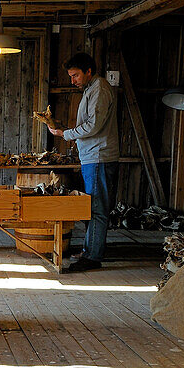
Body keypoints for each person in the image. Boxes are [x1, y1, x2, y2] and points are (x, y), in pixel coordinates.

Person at [47, 52, 119, 272]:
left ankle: (92, 258)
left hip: (99, 157)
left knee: (97, 208)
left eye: (76, 75)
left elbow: (93, 126)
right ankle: (91, 251)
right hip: (93, 156)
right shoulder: (91, 89)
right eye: (71, 76)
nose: (73, 80)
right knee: (93, 207)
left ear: (89, 71)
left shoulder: (99, 88)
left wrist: (65, 134)